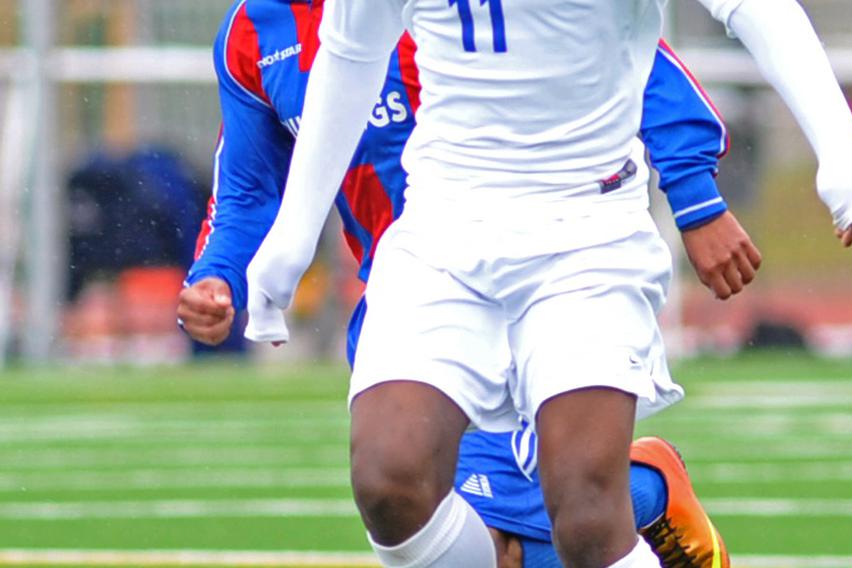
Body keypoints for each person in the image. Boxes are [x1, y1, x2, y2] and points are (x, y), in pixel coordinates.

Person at [180, 2, 737, 566]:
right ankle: (641, 482)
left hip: (542, 270)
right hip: (411, 291)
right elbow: (248, 186)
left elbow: (625, 58)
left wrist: (695, 194)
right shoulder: (253, 31)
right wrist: (216, 275)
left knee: (543, 540)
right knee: (407, 501)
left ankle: (644, 487)